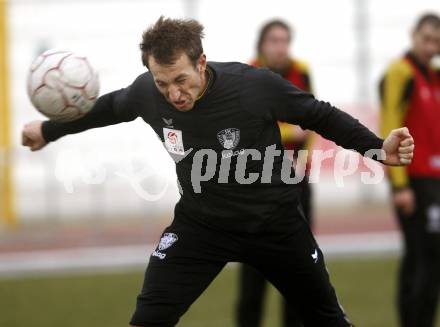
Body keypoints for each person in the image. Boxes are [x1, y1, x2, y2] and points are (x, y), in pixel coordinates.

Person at [22, 17, 414, 327]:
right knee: (149, 318)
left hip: (275, 225)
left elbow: (319, 115)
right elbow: (109, 108)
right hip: (201, 227)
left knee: (326, 320)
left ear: (201, 63)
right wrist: (48, 129)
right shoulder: (147, 93)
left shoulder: (253, 87)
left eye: (181, 79)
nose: (174, 93)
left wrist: (377, 149)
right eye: (162, 83)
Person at [237, 19, 314, 327]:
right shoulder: (245, 74)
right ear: (261, 45)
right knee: (254, 268)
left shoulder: (302, 71)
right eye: (274, 40)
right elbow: (251, 129)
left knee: (299, 266)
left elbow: (311, 121)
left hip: (296, 180)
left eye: (285, 41)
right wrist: (287, 131)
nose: (280, 47)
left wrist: (301, 160)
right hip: (256, 183)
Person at [379, 13, 440, 327]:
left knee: (433, 260)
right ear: (413, 35)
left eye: (436, 42)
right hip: (412, 181)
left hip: (435, 182)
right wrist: (399, 185)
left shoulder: (434, 76)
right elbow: (390, 122)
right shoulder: (400, 71)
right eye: (426, 38)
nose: (430, 47)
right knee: (418, 259)